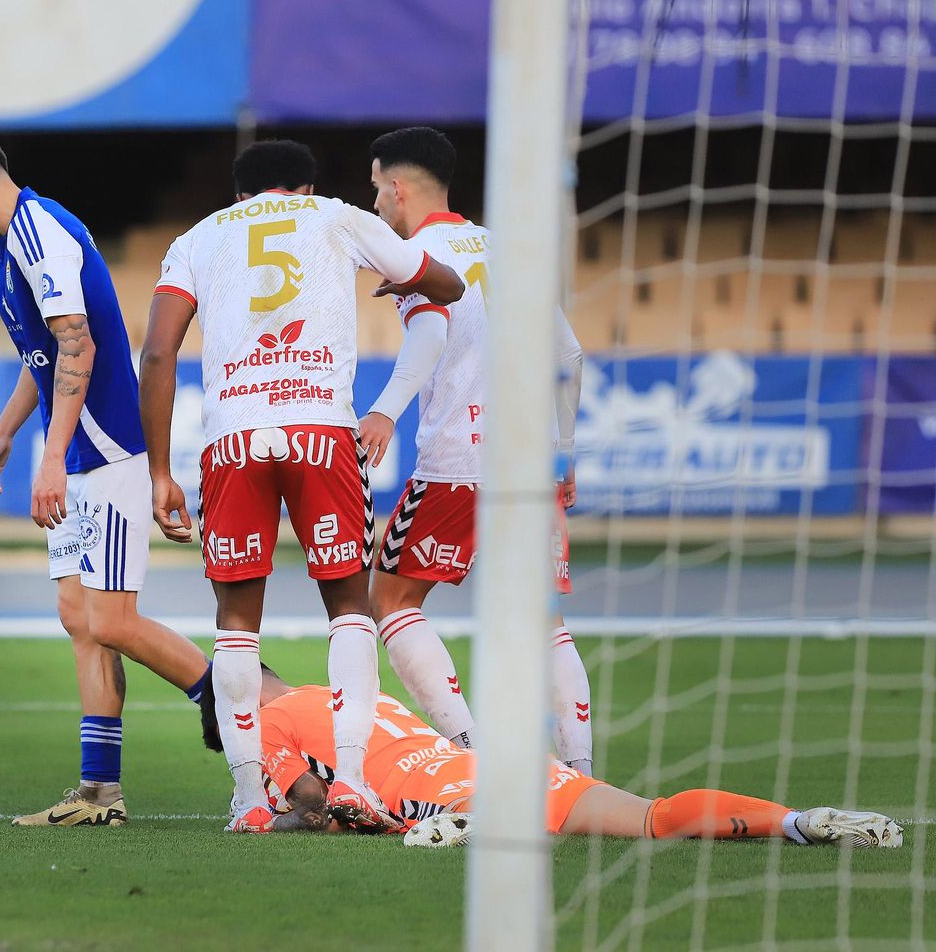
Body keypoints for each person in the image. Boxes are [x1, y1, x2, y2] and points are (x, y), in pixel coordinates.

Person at [139, 139, 464, 832]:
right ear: (307, 185)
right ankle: (349, 778)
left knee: (236, 625)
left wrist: (160, 471)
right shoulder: (339, 216)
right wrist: (400, 276)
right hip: (321, 428)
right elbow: (448, 285)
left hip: (233, 436)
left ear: (239, 195)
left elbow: (159, 348)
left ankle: (250, 799)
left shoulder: (197, 237)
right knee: (349, 605)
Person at [0, 125, 209, 827]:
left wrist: (52, 455)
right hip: (75, 454)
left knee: (111, 617)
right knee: (80, 619)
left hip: (105, 451)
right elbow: (42, 351)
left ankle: (230, 699)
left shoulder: (39, 230)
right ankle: (99, 794)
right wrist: (4, 432)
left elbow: (79, 339)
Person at [359, 126, 593, 773]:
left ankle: (477, 762)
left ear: (397, 188)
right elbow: (569, 354)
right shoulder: (505, 249)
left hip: (459, 459)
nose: (375, 202)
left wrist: (384, 410)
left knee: (392, 601)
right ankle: (581, 776)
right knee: (542, 618)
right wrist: (563, 451)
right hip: (531, 459)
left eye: (377, 188)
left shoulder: (414, 257)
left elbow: (429, 337)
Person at [197, 666, 905, 849]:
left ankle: (472, 825)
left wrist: (272, 818)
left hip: (438, 785)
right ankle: (797, 820)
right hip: (509, 762)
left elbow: (318, 806)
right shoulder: (341, 686)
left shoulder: (264, 723)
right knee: (657, 817)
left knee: (449, 820)